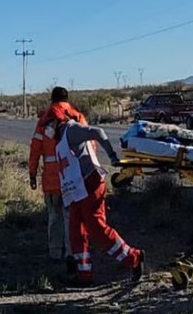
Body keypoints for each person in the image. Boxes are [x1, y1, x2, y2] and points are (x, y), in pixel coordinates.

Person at [47, 106, 145, 286]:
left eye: (49, 123)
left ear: (57, 121)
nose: (47, 128)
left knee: (97, 230)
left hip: (90, 185)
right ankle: (84, 275)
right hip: (77, 190)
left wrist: (112, 155)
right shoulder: (60, 138)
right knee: (75, 233)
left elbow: (98, 132)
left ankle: (134, 258)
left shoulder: (72, 129)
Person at [28, 87, 88, 259]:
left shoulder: (43, 122)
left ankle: (55, 253)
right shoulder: (78, 118)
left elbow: (34, 151)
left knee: (54, 217)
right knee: (72, 218)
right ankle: (72, 254)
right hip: (74, 180)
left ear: (52, 100)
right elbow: (90, 146)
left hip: (52, 181)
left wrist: (32, 173)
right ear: (67, 100)